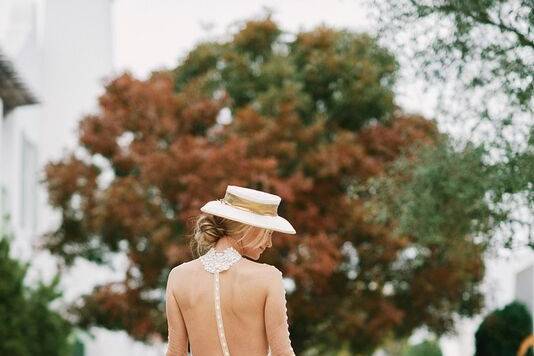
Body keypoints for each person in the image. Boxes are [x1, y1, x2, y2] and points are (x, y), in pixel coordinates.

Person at [165, 184, 297, 356]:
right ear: (251, 227)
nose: (269, 243)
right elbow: (282, 353)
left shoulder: (178, 277)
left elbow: (175, 352)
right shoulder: (268, 277)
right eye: (268, 233)